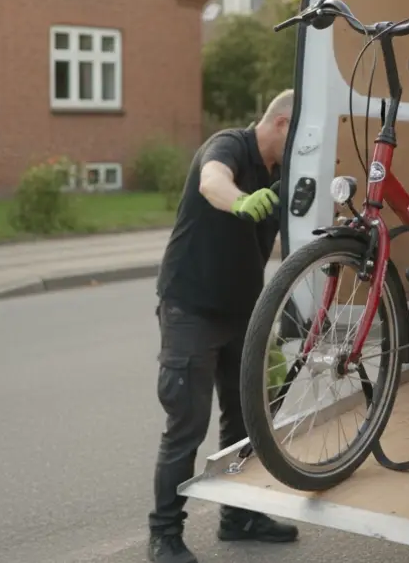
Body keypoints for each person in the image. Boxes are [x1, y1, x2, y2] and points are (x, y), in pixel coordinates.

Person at [147, 90, 300, 563]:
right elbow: (212, 180)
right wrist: (239, 202)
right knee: (186, 426)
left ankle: (238, 516)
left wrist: (269, 332)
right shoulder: (228, 145)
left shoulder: (284, 173)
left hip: (242, 314)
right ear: (279, 124)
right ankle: (165, 535)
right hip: (190, 309)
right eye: (299, 134)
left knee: (244, 422)